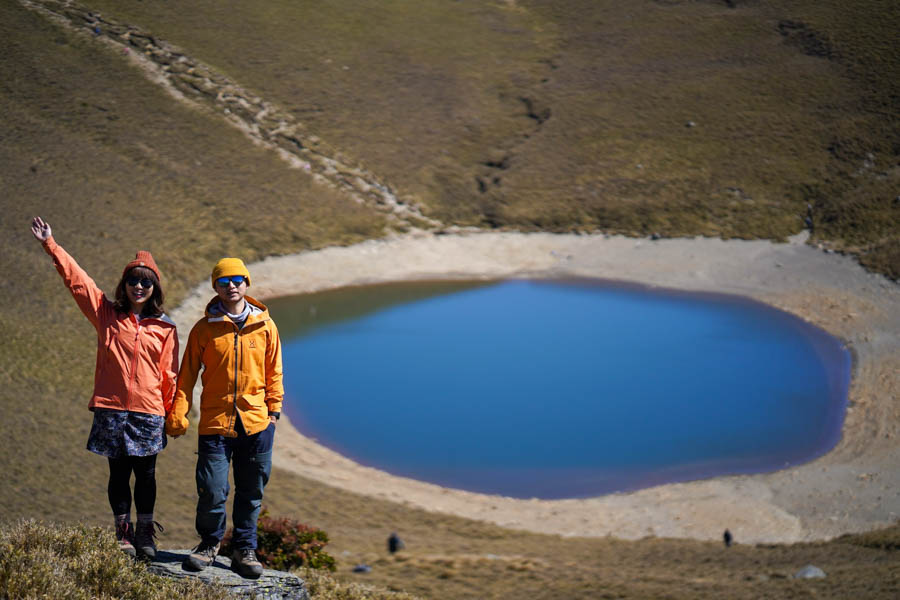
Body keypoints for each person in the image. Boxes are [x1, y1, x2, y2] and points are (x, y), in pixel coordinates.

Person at [30, 216, 178, 560]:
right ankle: (123, 534)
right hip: (112, 408)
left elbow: (169, 374)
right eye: (133, 281)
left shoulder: (165, 327)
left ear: (154, 287)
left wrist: (171, 414)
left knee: (147, 474)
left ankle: (145, 535)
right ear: (124, 284)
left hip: (149, 411)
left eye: (145, 282)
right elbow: (78, 282)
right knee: (118, 473)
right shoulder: (106, 313)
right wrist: (51, 244)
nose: (138, 287)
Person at [167, 257, 283, 579]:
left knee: (251, 492)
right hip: (215, 424)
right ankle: (209, 544)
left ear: (246, 283)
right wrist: (179, 413)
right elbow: (186, 375)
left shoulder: (265, 326)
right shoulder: (204, 330)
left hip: (257, 424)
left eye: (236, 280)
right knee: (212, 489)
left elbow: (274, 373)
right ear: (215, 287)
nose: (230, 286)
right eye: (223, 281)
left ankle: (244, 550)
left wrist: (273, 413)